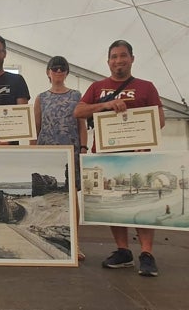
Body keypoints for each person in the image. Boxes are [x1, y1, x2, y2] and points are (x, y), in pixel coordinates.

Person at [74, 40, 165, 277]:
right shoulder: (97, 87)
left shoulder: (147, 87)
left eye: (123, 56)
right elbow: (79, 111)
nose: (118, 61)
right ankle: (123, 251)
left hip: (138, 156)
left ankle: (147, 254)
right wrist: (105, 105)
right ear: (108, 61)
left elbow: (160, 119)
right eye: (114, 57)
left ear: (132, 59)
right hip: (107, 156)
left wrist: (140, 140)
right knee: (115, 207)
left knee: (142, 207)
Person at [30, 56, 88, 261]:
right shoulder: (41, 98)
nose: (58, 71)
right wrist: (32, 153)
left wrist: (83, 147)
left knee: (72, 198)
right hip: (46, 153)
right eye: (54, 68)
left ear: (67, 72)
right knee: (47, 198)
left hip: (70, 153)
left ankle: (75, 244)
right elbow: (35, 128)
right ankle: (46, 238)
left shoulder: (76, 96)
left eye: (62, 68)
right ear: (48, 72)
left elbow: (82, 125)